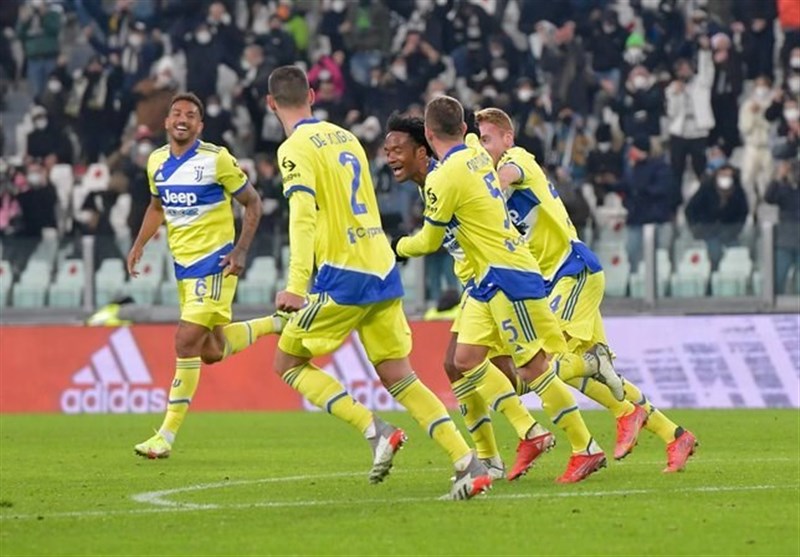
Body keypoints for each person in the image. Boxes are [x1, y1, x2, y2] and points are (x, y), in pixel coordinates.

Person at [266, 66, 491, 500]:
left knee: (287, 363)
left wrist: (297, 283)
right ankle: (469, 463)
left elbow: (303, 215)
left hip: (344, 274)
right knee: (399, 377)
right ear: (312, 94)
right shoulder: (345, 137)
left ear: (271, 103)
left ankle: (375, 431)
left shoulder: (293, 148)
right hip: (381, 267)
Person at [392, 96, 609, 484]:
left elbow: (428, 242)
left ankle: (585, 445)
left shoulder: (443, 178)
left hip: (506, 272)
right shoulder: (475, 153)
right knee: (463, 360)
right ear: (466, 130)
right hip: (484, 279)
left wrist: (397, 246)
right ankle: (526, 433)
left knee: (532, 366)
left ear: (427, 135)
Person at [475, 107, 698, 472]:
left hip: (573, 272)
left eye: (487, 139)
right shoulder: (499, 181)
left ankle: (599, 375)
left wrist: (471, 185)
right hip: (553, 280)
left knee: (546, 366)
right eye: (479, 141)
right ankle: (674, 435)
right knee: (582, 375)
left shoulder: (518, 160)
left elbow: (502, 181)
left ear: (507, 139)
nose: (483, 147)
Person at [127, 93, 283, 459]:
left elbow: (253, 202)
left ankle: (165, 435)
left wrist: (240, 250)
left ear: (200, 125)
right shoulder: (157, 161)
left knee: (185, 341)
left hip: (215, 262)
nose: (182, 119)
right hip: (183, 267)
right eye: (176, 113)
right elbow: (156, 207)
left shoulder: (216, 159)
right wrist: (139, 243)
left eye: (190, 115)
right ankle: (277, 323)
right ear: (167, 122)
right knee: (211, 350)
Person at [685, 164, 749, 270]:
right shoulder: (706, 189)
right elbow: (690, 210)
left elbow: (742, 213)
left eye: (728, 176)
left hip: (729, 234)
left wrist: (734, 231)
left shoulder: (738, 192)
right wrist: (697, 228)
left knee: (736, 255)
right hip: (708, 232)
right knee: (714, 251)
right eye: (722, 175)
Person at [764, 151, 800, 295]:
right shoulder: (784, 189)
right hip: (785, 242)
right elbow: (769, 197)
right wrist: (779, 176)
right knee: (778, 279)